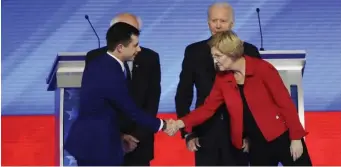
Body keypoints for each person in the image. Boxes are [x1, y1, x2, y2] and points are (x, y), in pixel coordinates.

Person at [169, 31, 312, 166]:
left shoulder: (262, 69)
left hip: (282, 137)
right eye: (214, 56)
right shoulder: (223, 79)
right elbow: (207, 109)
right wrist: (180, 123)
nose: (215, 61)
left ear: (231, 53)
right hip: (256, 145)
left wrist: (295, 138)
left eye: (218, 56)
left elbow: (285, 103)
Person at [64, 22, 173, 166]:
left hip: (98, 142)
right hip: (96, 147)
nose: (139, 49)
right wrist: (163, 125)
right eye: (135, 45)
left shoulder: (102, 63)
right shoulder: (109, 71)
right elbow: (130, 109)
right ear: (120, 48)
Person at [175, 2, 260, 166]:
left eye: (223, 21)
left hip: (241, 135)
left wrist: (252, 135)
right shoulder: (194, 52)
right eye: (214, 21)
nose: (218, 25)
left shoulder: (249, 51)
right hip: (204, 134)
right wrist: (187, 133)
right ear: (208, 23)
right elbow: (183, 94)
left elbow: (258, 97)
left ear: (232, 24)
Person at [85, 13, 161, 166]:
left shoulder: (150, 58)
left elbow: (152, 102)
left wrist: (134, 138)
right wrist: (118, 137)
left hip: (139, 146)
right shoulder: (94, 58)